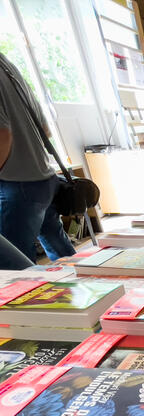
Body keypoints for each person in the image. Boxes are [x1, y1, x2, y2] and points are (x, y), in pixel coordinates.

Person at [0, 52, 76, 265]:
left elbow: (3, 135)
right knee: (60, 249)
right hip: (43, 178)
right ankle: (86, 290)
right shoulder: (8, 67)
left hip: (16, 182)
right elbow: (45, 130)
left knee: (14, 266)